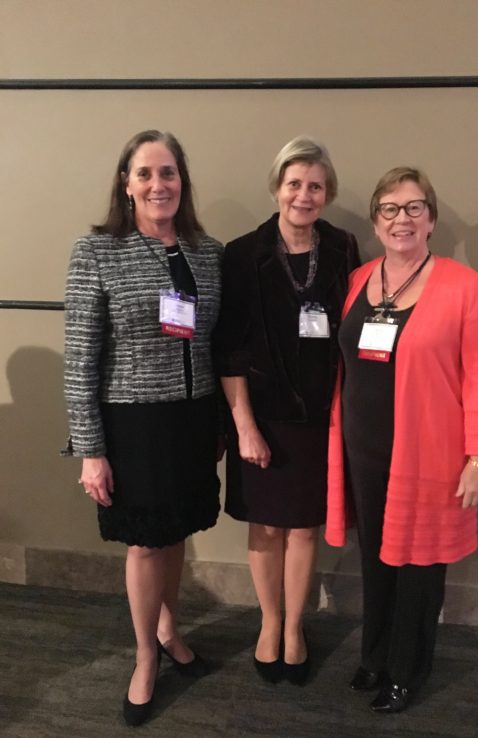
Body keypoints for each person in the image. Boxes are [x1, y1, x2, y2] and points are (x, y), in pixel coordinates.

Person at [325, 167, 478, 713]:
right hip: (364, 451)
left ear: (431, 219)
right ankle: (375, 655)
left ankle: (407, 670)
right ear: (376, 221)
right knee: (377, 559)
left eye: (413, 208)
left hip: (430, 451)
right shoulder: (361, 279)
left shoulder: (463, 286)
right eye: (389, 208)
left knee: (420, 565)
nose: (401, 219)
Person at [64, 130, 223, 726]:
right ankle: (143, 655)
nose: (159, 185)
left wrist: (221, 427)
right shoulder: (97, 250)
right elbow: (81, 357)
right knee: (145, 540)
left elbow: (213, 342)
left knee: (176, 529)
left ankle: (169, 630)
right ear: (126, 184)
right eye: (145, 174)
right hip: (132, 419)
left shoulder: (207, 252)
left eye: (169, 173)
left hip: (193, 415)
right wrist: (91, 450)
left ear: (183, 181)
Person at [215, 136, 360, 684]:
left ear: (327, 195)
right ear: (277, 187)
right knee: (266, 528)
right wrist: (243, 426)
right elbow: (229, 347)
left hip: (321, 417)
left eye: (315, 186)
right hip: (260, 413)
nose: (304, 195)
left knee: (303, 529)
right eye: (294, 183)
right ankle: (268, 624)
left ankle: (295, 627)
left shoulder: (344, 248)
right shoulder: (241, 254)